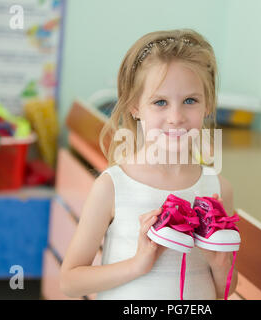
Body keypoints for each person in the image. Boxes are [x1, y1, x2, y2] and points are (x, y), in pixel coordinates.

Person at [60, 29, 238, 300]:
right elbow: (70, 282)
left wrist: (220, 266)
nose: (176, 117)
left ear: (208, 104)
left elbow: (222, 291)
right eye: (160, 102)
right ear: (135, 106)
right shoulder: (113, 186)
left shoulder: (217, 189)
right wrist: (137, 265)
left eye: (190, 100)